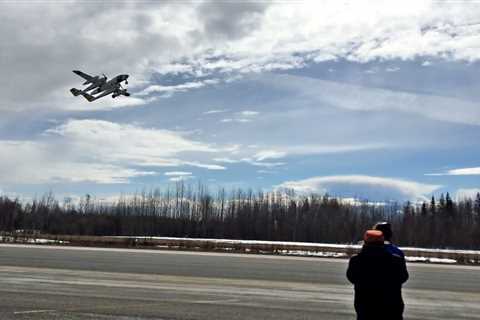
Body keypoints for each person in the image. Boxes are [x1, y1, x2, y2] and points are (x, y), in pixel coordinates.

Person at [347, 230, 409, 320]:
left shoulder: (356, 261)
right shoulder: (396, 260)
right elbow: (404, 277)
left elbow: (351, 277)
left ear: (365, 242)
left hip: (365, 306)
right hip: (392, 306)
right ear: (382, 242)